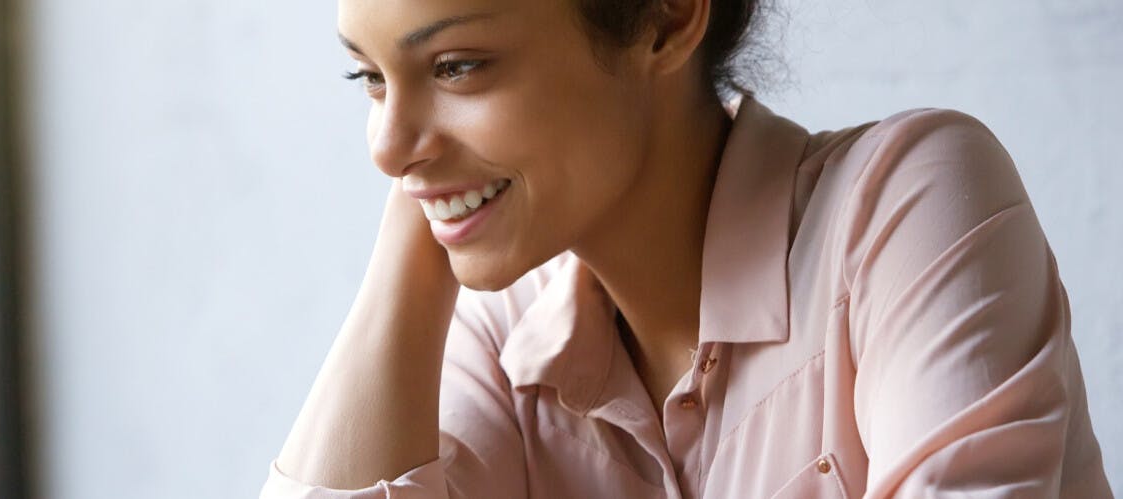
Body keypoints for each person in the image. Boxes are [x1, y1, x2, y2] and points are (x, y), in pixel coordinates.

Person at [263, 0, 1112, 497]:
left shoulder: (905, 205)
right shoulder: (499, 340)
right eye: (369, 78)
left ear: (666, 18)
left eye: (457, 66)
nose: (381, 144)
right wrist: (423, 214)